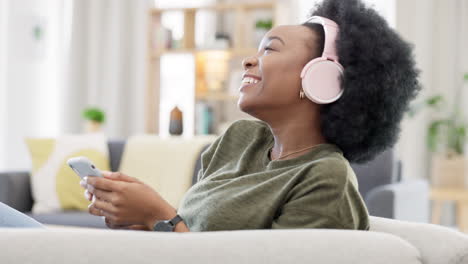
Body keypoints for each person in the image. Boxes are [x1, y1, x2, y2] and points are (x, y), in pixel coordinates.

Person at [0, 0, 420, 232]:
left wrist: (159, 216)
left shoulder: (324, 178)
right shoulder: (239, 140)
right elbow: (193, 236)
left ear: (325, 80)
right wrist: (139, 220)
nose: (248, 63)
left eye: (270, 49)